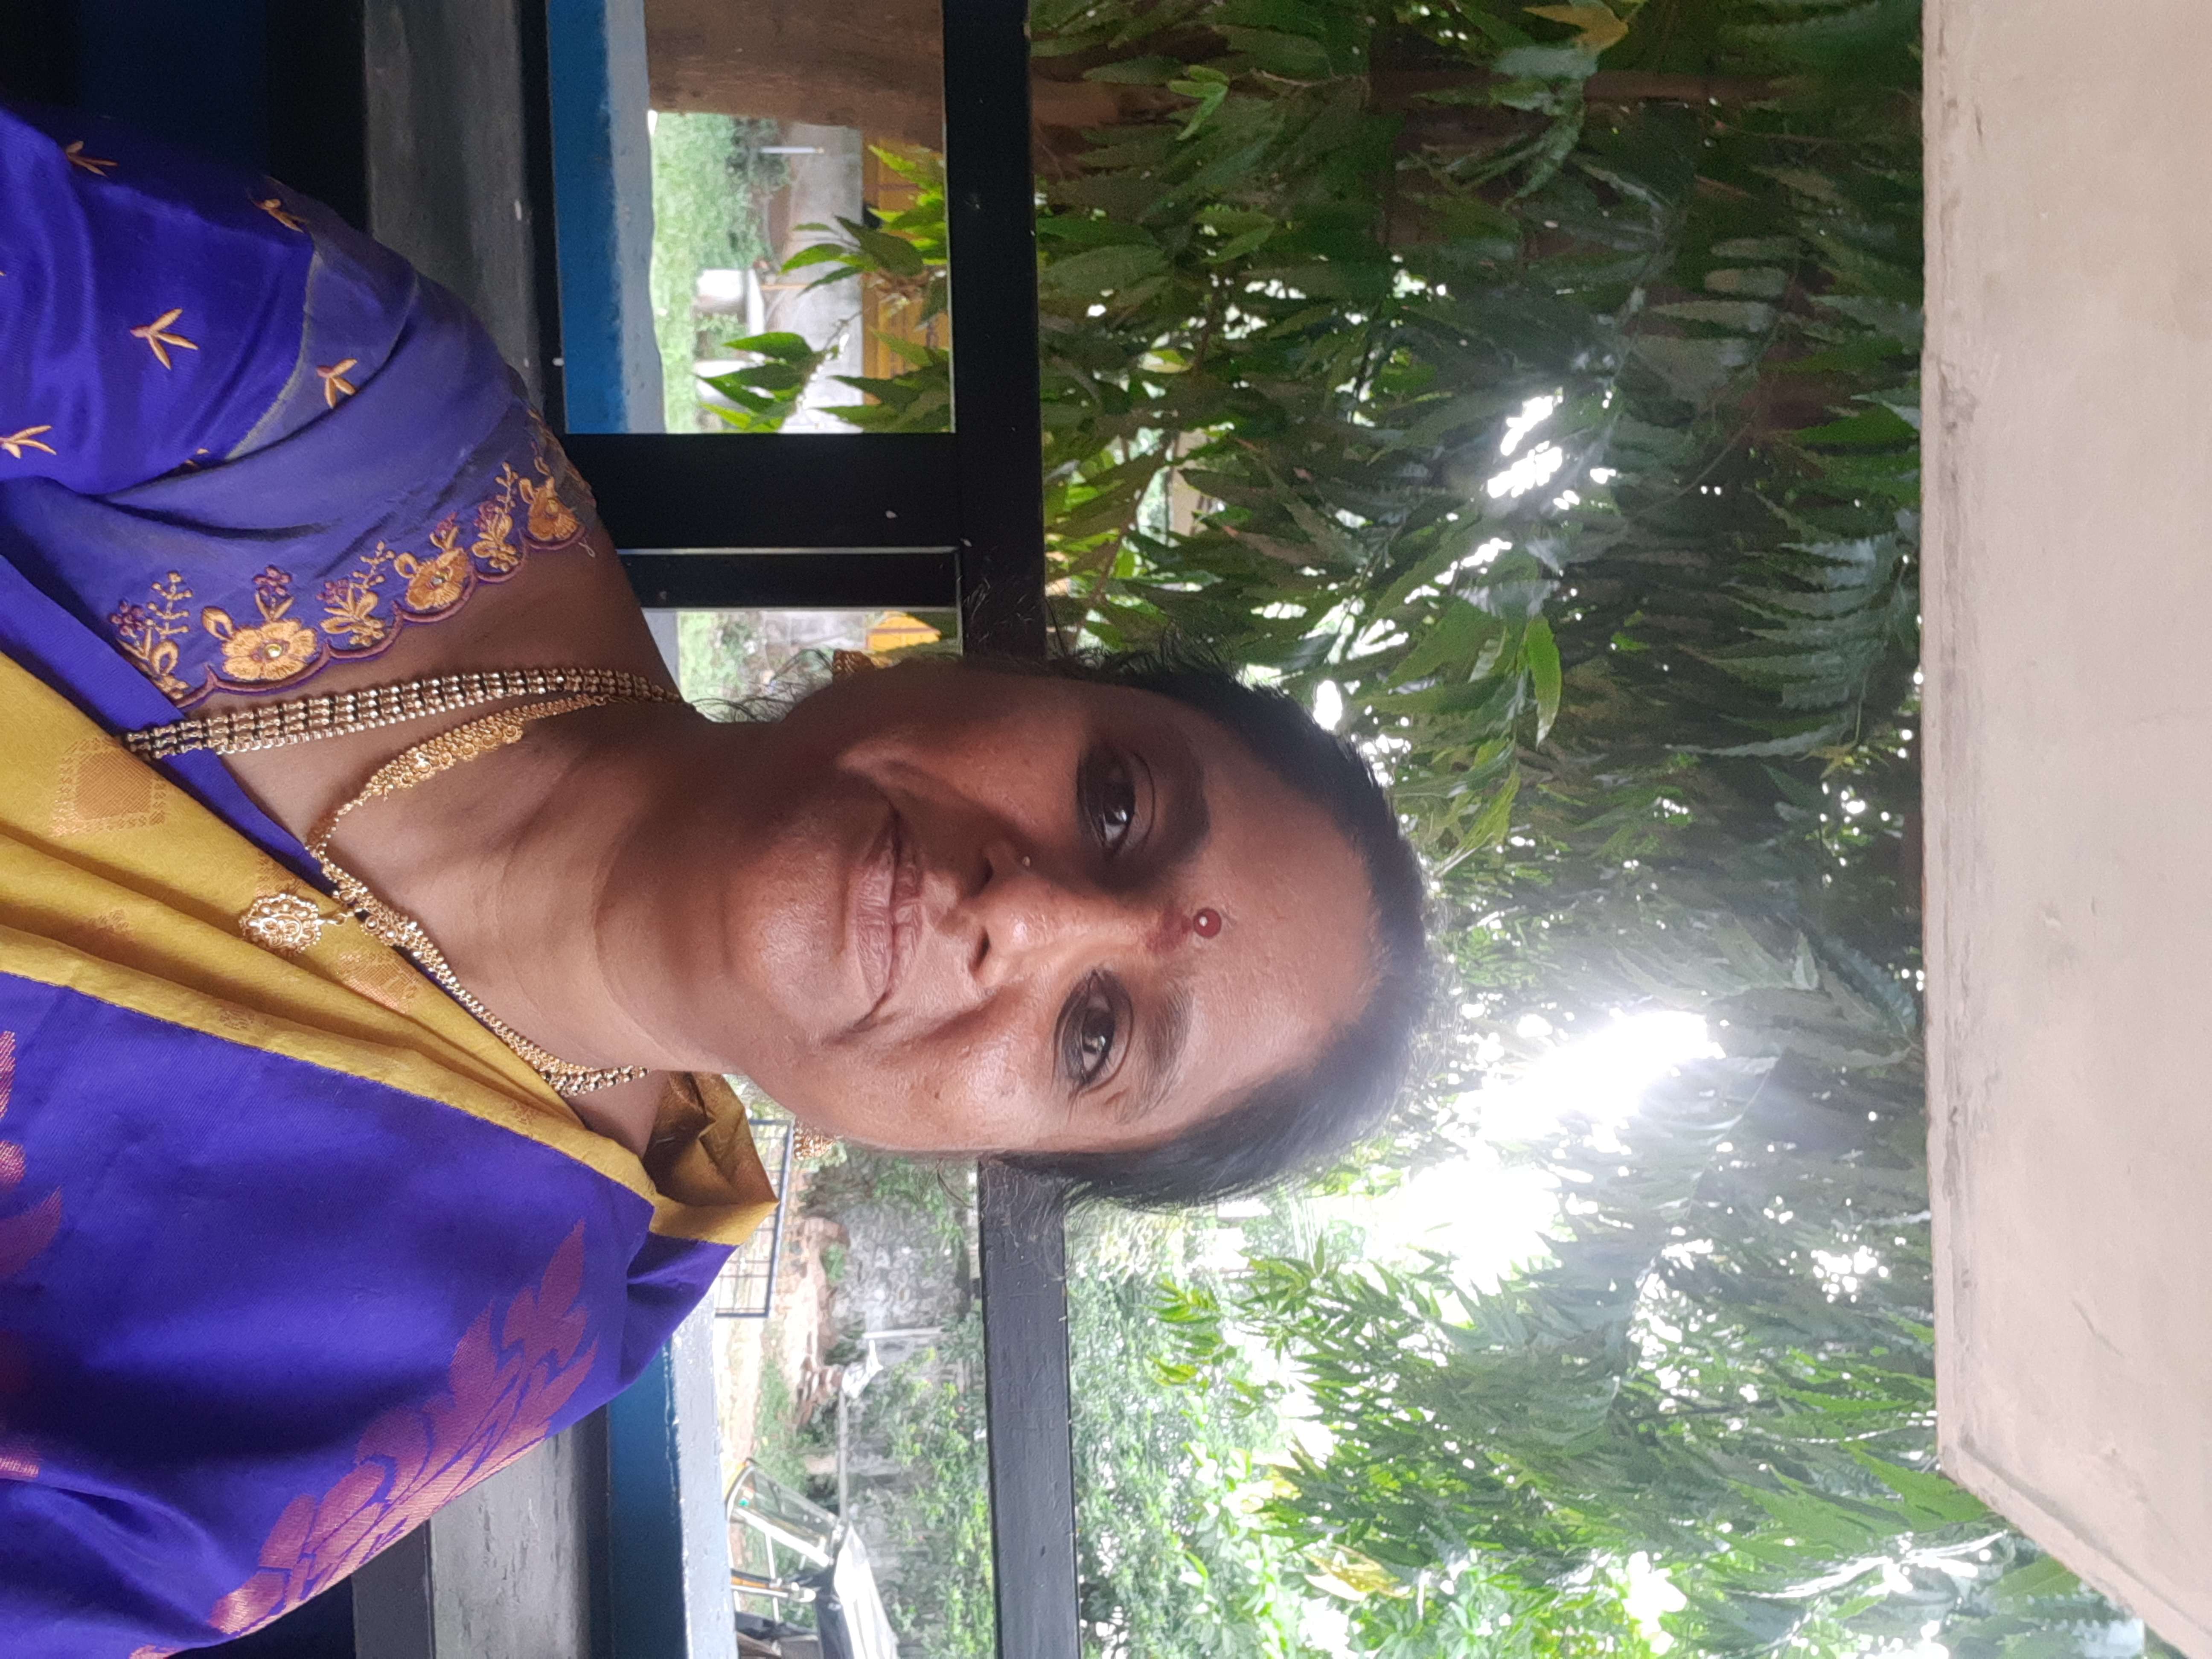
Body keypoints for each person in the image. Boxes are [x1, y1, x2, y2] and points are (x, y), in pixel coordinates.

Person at [0, 99, 1429, 1653]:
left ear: (991, 1153)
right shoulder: (342, 424)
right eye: (1116, 802)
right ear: (1006, 666)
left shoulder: (483, 1330)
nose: (1027, 911)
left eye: (1096, 1035)